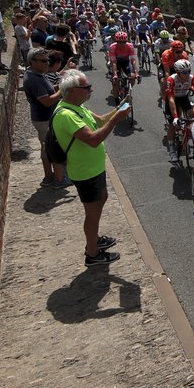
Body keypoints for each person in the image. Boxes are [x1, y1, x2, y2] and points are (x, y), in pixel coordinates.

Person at [51, 69, 132, 266]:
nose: (91, 89)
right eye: (86, 87)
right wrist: (117, 119)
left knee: (101, 199)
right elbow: (94, 139)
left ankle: (94, 240)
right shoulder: (67, 115)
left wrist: (120, 107)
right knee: (92, 213)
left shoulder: (77, 106)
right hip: (85, 172)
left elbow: (101, 120)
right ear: (71, 91)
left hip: (94, 168)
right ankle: (92, 253)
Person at [22, 48, 69, 188]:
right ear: (32, 61)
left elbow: (48, 91)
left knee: (46, 147)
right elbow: (47, 101)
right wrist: (62, 90)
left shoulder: (36, 74)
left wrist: (58, 87)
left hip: (42, 117)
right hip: (44, 118)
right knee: (53, 148)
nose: (47, 63)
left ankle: (49, 177)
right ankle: (59, 180)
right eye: (43, 61)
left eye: (47, 60)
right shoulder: (34, 79)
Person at [164, 58, 194, 158]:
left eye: (188, 71)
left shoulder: (193, 79)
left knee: (193, 114)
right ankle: (171, 148)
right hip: (173, 99)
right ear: (178, 72)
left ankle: (188, 132)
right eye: (184, 72)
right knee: (172, 125)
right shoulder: (171, 79)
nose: (187, 74)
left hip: (184, 98)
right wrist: (174, 116)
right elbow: (170, 99)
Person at [107, 31, 139, 101]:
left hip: (126, 62)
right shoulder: (112, 47)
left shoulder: (130, 46)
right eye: (119, 42)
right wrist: (115, 74)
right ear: (116, 41)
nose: (121, 44)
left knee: (132, 77)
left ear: (126, 41)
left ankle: (127, 89)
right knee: (116, 84)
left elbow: (133, 61)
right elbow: (114, 62)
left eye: (124, 42)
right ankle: (116, 101)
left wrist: (136, 73)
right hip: (116, 63)